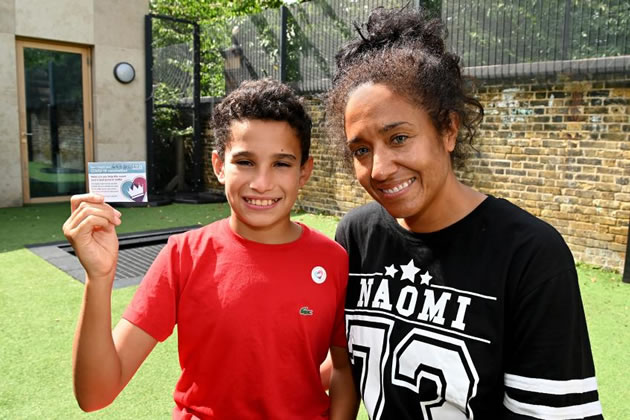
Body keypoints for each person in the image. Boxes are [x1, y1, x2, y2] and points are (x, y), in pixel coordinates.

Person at [323, 6, 603, 419]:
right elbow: (342, 365)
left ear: (448, 129)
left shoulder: (529, 255)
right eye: (361, 150)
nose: (378, 169)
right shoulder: (357, 237)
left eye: (399, 137)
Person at [63, 78, 358, 419]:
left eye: (281, 163)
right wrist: (98, 279)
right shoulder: (183, 255)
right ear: (219, 166)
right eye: (245, 161)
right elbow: (95, 394)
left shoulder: (333, 261)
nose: (261, 182)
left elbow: (343, 370)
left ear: (304, 171)